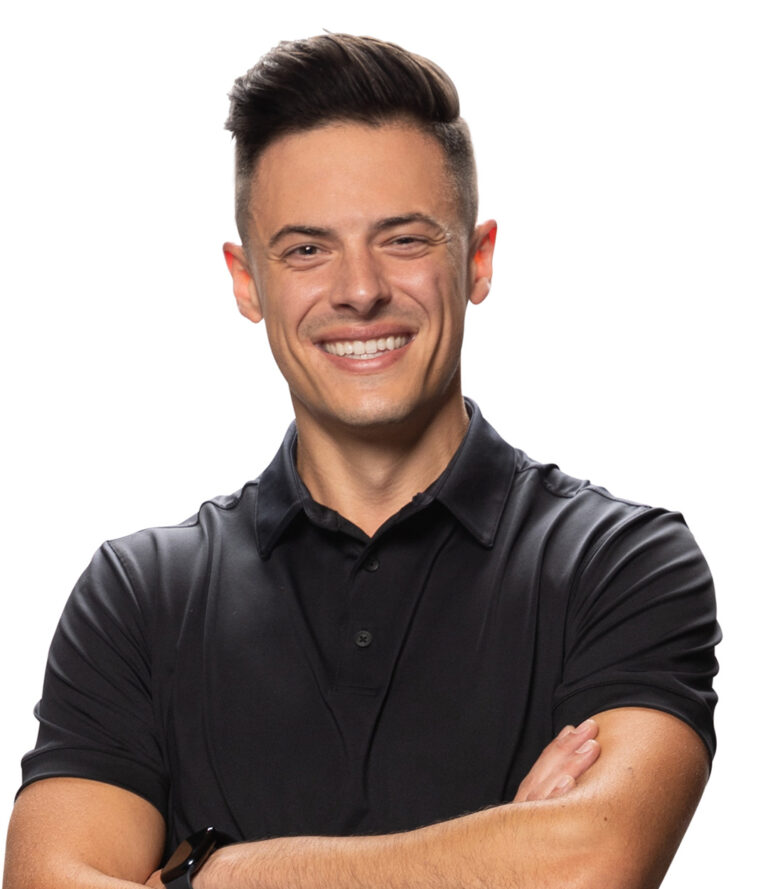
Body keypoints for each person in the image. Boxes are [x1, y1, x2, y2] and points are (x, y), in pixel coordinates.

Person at [3, 33, 719, 889]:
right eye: (306, 249)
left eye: (405, 239)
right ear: (246, 282)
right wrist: (495, 856)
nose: (359, 289)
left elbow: (587, 862)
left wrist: (216, 873)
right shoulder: (138, 595)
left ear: (477, 258)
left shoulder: (622, 564)